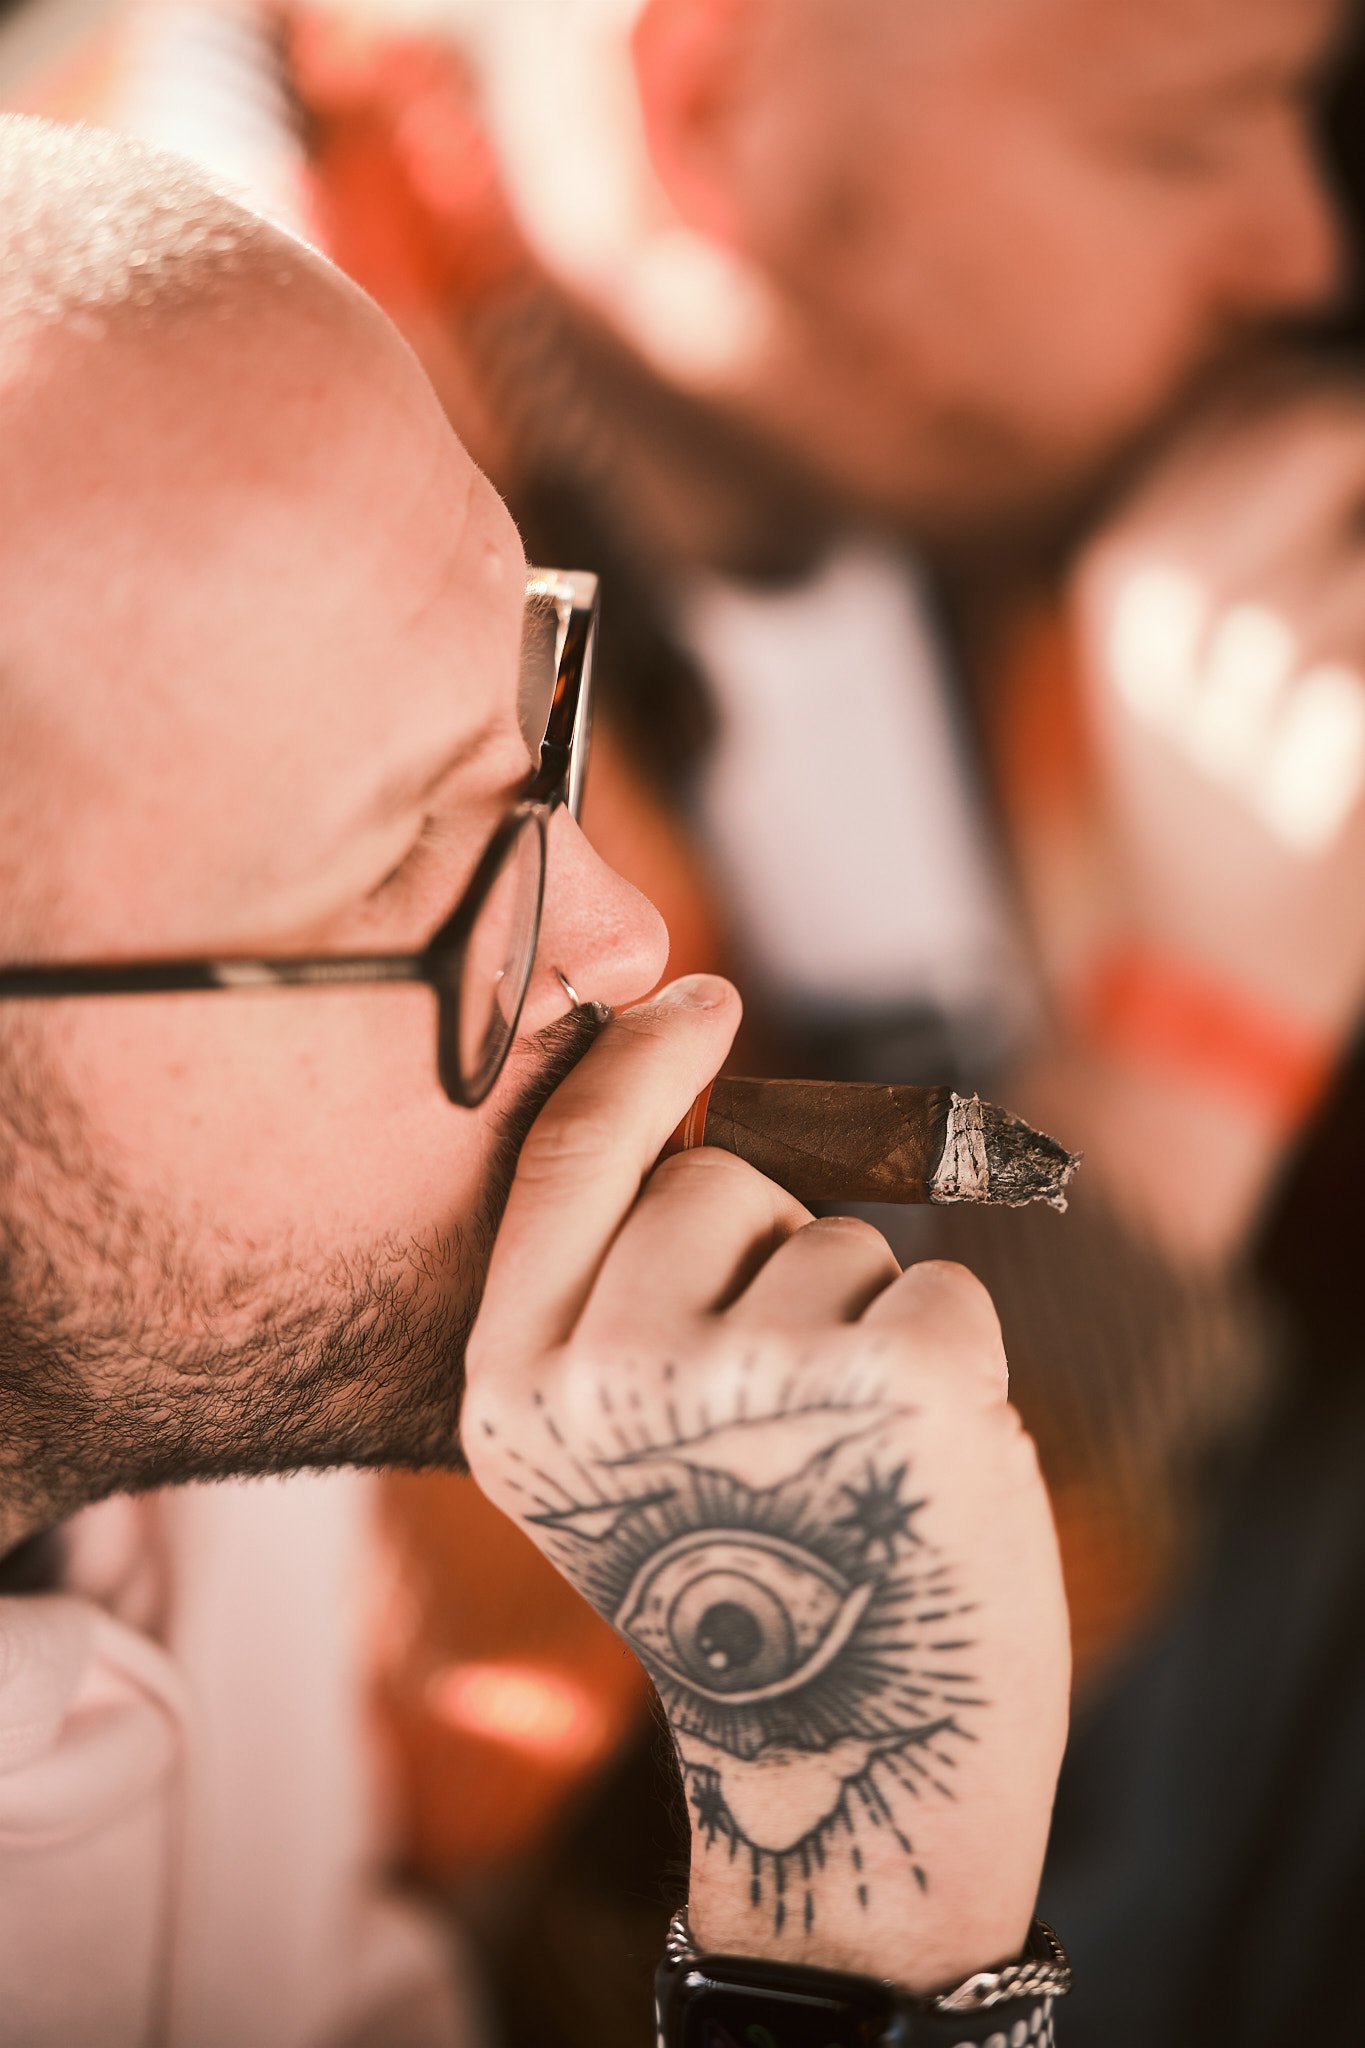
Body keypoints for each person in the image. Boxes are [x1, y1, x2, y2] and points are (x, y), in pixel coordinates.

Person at [0, 114, 1070, 2047]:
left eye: (519, 725)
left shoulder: (196, 1407)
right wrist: (842, 1973)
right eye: (408, 861)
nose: (625, 944)